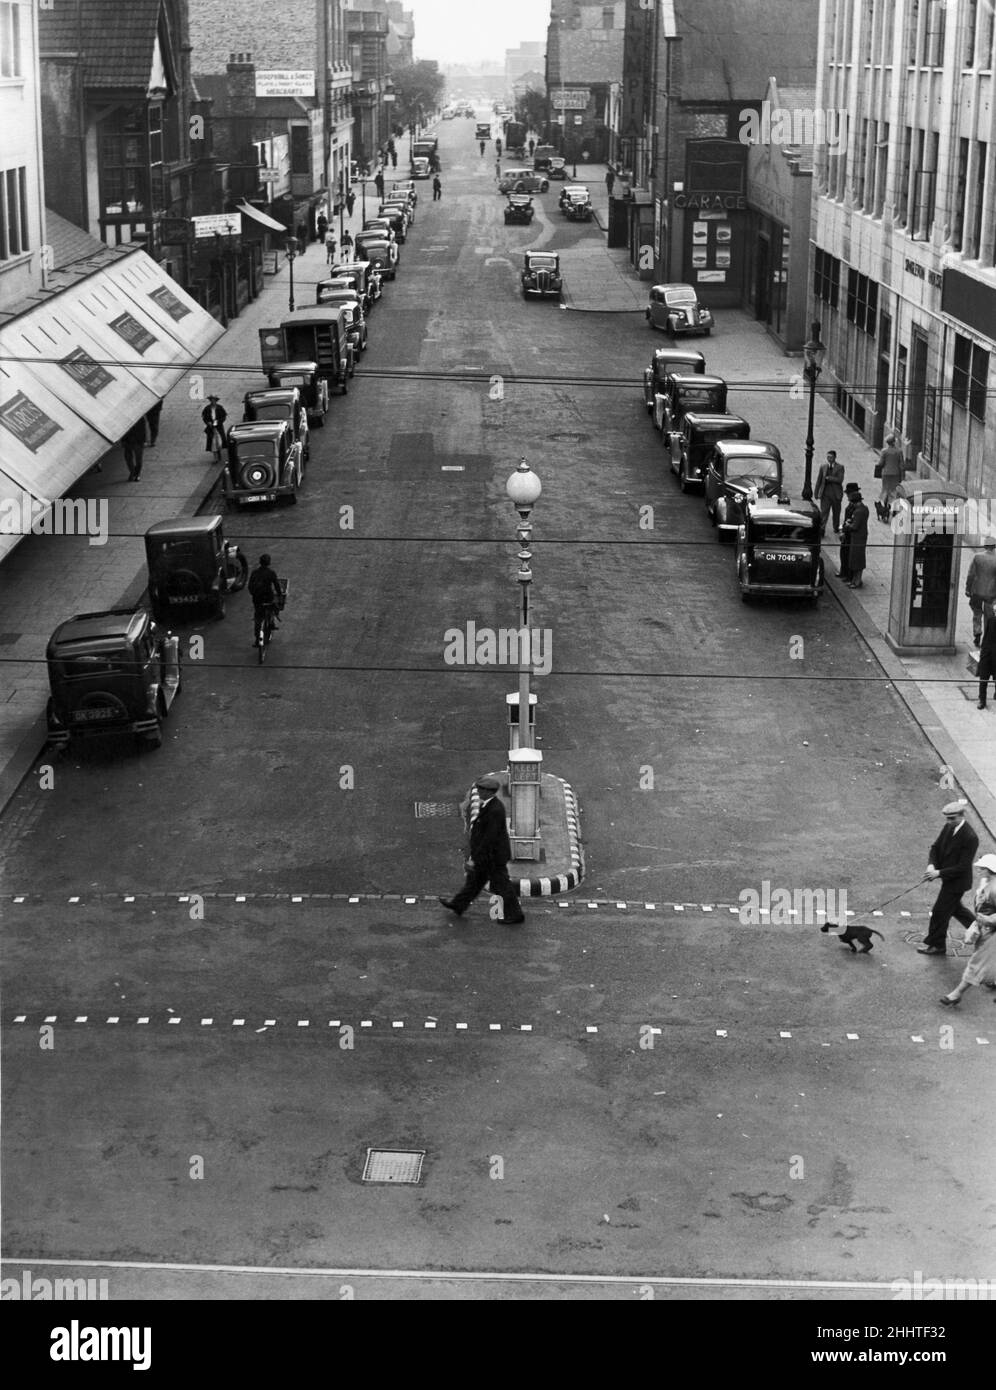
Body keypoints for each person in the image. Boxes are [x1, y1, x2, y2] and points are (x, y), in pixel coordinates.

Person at [439, 775, 525, 925]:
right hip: (487, 856)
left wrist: (474, 858)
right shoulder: (489, 805)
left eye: (481, 789)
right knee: (475, 883)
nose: (478, 791)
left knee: (502, 886)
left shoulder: (495, 810)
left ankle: (515, 914)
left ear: (489, 792)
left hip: (492, 857)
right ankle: (459, 904)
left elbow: (488, 839)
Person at [919, 800, 980, 955]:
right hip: (949, 879)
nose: (948, 822)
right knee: (957, 910)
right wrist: (931, 865)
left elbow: (963, 867)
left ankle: (937, 945)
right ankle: (985, 932)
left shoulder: (970, 837)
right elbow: (936, 847)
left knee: (939, 913)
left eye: (952, 818)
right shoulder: (949, 827)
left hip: (957, 883)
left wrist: (939, 873)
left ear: (961, 816)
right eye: (947, 818)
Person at [940, 853, 996, 1006]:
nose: (978, 869)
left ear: (989, 869)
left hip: (991, 933)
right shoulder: (987, 882)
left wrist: (988, 920)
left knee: (976, 963)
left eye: (982, 868)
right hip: (986, 929)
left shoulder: (994, 888)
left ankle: (956, 994)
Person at [965, 536, 996, 645]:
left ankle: (977, 634)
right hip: (991, 594)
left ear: (985, 546)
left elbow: (971, 575)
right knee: (989, 616)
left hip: (977, 592)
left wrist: (968, 589)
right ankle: (986, 639)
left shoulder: (977, 557)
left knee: (977, 613)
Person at [248, 554, 284, 648]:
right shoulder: (271, 573)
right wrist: (280, 595)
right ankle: (271, 623)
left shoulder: (254, 572)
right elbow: (276, 586)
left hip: (257, 599)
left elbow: (250, 586)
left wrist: (254, 594)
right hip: (268, 598)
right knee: (274, 607)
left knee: (258, 618)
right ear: (269, 562)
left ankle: (257, 640)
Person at [814, 448, 845, 536]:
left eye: (831, 457)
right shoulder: (823, 467)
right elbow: (819, 480)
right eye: (827, 457)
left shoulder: (840, 467)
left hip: (836, 494)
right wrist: (816, 492)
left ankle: (836, 527)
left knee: (836, 513)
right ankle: (822, 529)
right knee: (824, 512)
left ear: (835, 457)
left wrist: (829, 478)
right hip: (825, 494)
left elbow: (840, 480)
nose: (829, 459)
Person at [842, 488, 869, 588]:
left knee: (857, 560)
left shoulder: (858, 512)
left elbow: (855, 526)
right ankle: (855, 580)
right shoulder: (865, 509)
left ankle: (857, 581)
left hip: (857, 538)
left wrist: (847, 526)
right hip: (861, 537)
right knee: (856, 559)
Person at [875, 434, 905, 521]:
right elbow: (902, 464)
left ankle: (884, 508)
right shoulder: (899, 451)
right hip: (896, 474)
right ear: (894, 442)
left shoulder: (884, 451)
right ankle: (893, 508)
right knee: (894, 491)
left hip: (886, 474)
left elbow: (880, 463)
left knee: (885, 490)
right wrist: (902, 475)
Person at [835, 482, 861, 580]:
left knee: (849, 554)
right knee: (843, 553)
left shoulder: (856, 506)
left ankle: (848, 574)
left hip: (851, 533)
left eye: (848, 493)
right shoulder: (851, 505)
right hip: (847, 532)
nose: (847, 495)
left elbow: (853, 521)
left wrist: (845, 529)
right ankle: (843, 571)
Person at [976, 607, 996, 710]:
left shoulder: (992, 620)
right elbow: (986, 637)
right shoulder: (991, 620)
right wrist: (982, 651)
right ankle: (982, 700)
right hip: (987, 654)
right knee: (983, 678)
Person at [201, 396, 227, 464]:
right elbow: (204, 417)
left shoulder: (220, 408)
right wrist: (208, 422)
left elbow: (224, 417)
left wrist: (218, 422)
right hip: (211, 429)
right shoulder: (207, 409)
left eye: (214, 400)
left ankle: (219, 453)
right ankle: (215, 458)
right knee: (213, 443)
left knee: (220, 442)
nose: (213, 402)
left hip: (219, 427)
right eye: (211, 400)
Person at [121, 416, 146, 481]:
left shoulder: (140, 417)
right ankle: (132, 472)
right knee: (128, 457)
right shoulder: (125, 418)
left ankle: (137, 474)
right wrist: (123, 440)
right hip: (128, 440)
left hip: (138, 441)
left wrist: (144, 440)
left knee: (138, 459)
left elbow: (143, 429)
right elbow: (122, 429)